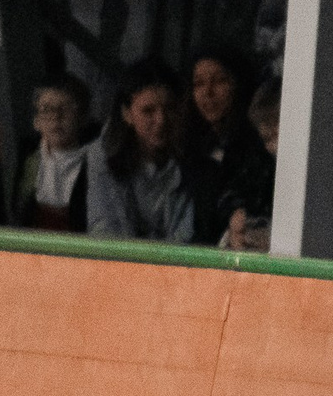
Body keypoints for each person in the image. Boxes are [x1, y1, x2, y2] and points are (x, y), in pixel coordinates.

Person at [85, 60, 219, 244]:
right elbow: (105, 230)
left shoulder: (198, 163)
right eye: (148, 111)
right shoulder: (103, 158)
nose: (161, 120)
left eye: (170, 108)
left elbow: (189, 238)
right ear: (127, 114)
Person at [187, 46, 269, 213]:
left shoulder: (259, 146)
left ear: (239, 84)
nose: (207, 92)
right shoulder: (193, 146)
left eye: (219, 81)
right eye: (199, 83)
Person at [18, 75, 94, 232]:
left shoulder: (95, 164)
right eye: (46, 109)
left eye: (65, 109)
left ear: (83, 117)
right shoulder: (29, 161)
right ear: (36, 121)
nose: (55, 117)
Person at [221, 81, 282, 252]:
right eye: (267, 139)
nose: (273, 146)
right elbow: (233, 194)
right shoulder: (261, 167)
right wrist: (236, 214)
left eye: (277, 135)